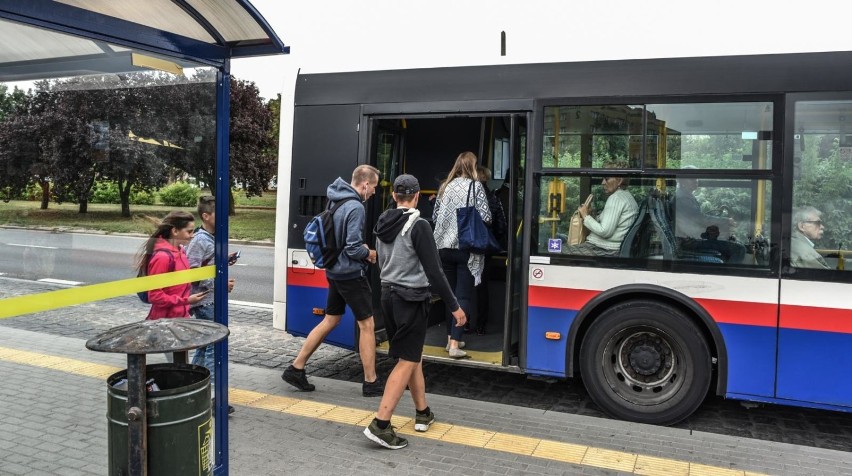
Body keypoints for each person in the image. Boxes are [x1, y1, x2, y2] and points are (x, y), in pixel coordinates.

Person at [363, 174, 466, 449]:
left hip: (388, 295)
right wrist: (454, 306)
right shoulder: (418, 225)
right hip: (411, 299)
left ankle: (423, 413)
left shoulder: (383, 223)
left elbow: (380, 262)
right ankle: (381, 424)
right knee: (407, 360)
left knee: (413, 355)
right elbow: (435, 271)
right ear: (417, 196)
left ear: (395, 196)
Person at [281, 164, 384, 397]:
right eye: (374, 187)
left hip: (334, 272)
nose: (375, 192)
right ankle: (371, 382)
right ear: (365, 184)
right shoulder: (355, 206)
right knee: (367, 325)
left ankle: (296, 368)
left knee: (331, 319)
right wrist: (369, 253)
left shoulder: (335, 199)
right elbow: (353, 246)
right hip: (350, 274)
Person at [433, 151, 491, 358]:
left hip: (444, 248)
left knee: (449, 297)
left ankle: (450, 339)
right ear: (473, 166)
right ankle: (456, 344)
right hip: (466, 248)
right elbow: (486, 216)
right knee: (463, 296)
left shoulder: (445, 186)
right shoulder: (475, 187)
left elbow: (435, 215)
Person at [186, 196, 236, 414]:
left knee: (206, 345)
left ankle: (192, 388)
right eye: (219, 213)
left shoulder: (211, 237)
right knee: (214, 347)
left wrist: (225, 262)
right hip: (205, 300)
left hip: (211, 298)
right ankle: (213, 398)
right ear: (206, 216)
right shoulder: (199, 240)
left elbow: (210, 265)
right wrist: (220, 282)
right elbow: (192, 274)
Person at [135, 211, 209, 320]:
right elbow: (155, 296)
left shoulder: (181, 251)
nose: (192, 236)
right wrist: (186, 301)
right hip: (164, 322)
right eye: (189, 232)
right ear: (175, 231)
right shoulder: (163, 257)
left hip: (181, 318)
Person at [563, 166, 638, 257]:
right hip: (610, 248)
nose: (603, 183)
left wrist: (585, 215)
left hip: (604, 249)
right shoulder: (627, 196)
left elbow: (604, 231)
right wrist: (591, 214)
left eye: (607, 179)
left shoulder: (616, 198)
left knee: (558, 252)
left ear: (620, 180)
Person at [673, 171, 746, 263]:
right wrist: (726, 221)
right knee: (739, 249)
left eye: (696, 178)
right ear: (682, 181)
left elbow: (697, 218)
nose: (696, 180)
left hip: (694, 237)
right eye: (692, 178)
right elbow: (700, 219)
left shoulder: (685, 195)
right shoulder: (683, 198)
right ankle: (728, 274)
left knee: (729, 241)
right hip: (691, 241)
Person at [474, 166, 506, 335]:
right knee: (482, 286)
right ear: (487, 178)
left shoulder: (469, 197)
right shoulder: (494, 198)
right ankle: (481, 325)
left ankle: (464, 323)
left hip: (469, 247)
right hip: (486, 247)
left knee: (466, 285)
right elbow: (502, 226)